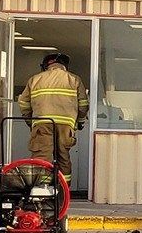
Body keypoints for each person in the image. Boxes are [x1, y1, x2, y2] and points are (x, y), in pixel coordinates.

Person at [17, 52, 89, 184]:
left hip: (42, 123)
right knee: (63, 157)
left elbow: (23, 103)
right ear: (64, 66)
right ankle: (63, 190)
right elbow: (83, 105)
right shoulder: (74, 79)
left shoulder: (35, 79)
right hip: (66, 125)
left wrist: (30, 122)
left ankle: (41, 189)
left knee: (42, 156)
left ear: (46, 66)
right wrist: (80, 122)